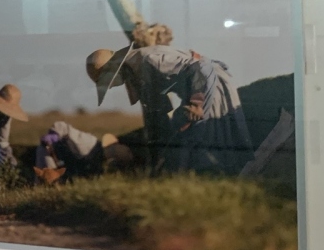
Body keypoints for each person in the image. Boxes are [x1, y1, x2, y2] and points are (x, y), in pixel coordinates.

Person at [86, 44, 253, 175]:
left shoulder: (149, 59)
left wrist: (197, 104)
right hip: (197, 89)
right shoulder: (136, 68)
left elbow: (200, 67)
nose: (112, 85)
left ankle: (221, 177)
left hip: (209, 85)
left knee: (209, 138)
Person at [34, 123, 131, 182]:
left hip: (66, 163)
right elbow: (62, 127)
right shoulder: (88, 144)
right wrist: (54, 135)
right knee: (48, 181)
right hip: (49, 152)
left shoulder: (97, 164)